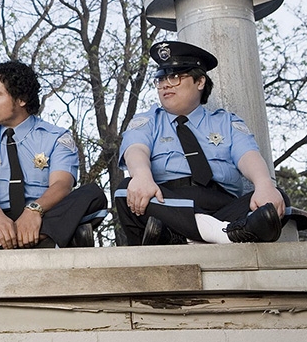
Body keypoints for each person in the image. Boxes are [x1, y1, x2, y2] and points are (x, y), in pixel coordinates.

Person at [114, 40, 292, 245]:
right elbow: (135, 149)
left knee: (277, 201)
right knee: (126, 189)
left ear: (200, 82)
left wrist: (264, 185)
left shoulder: (226, 121)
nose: (165, 85)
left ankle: (187, 236)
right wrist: (142, 176)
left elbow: (248, 155)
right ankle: (226, 233)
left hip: (222, 205)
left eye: (175, 77)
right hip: (169, 202)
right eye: (161, 79)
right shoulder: (148, 120)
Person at [0, 60, 108, 250]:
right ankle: (33, 240)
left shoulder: (56, 137)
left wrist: (34, 211)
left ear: (21, 99)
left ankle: (28, 238)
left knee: (93, 195)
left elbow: (62, 185)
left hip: (43, 216)